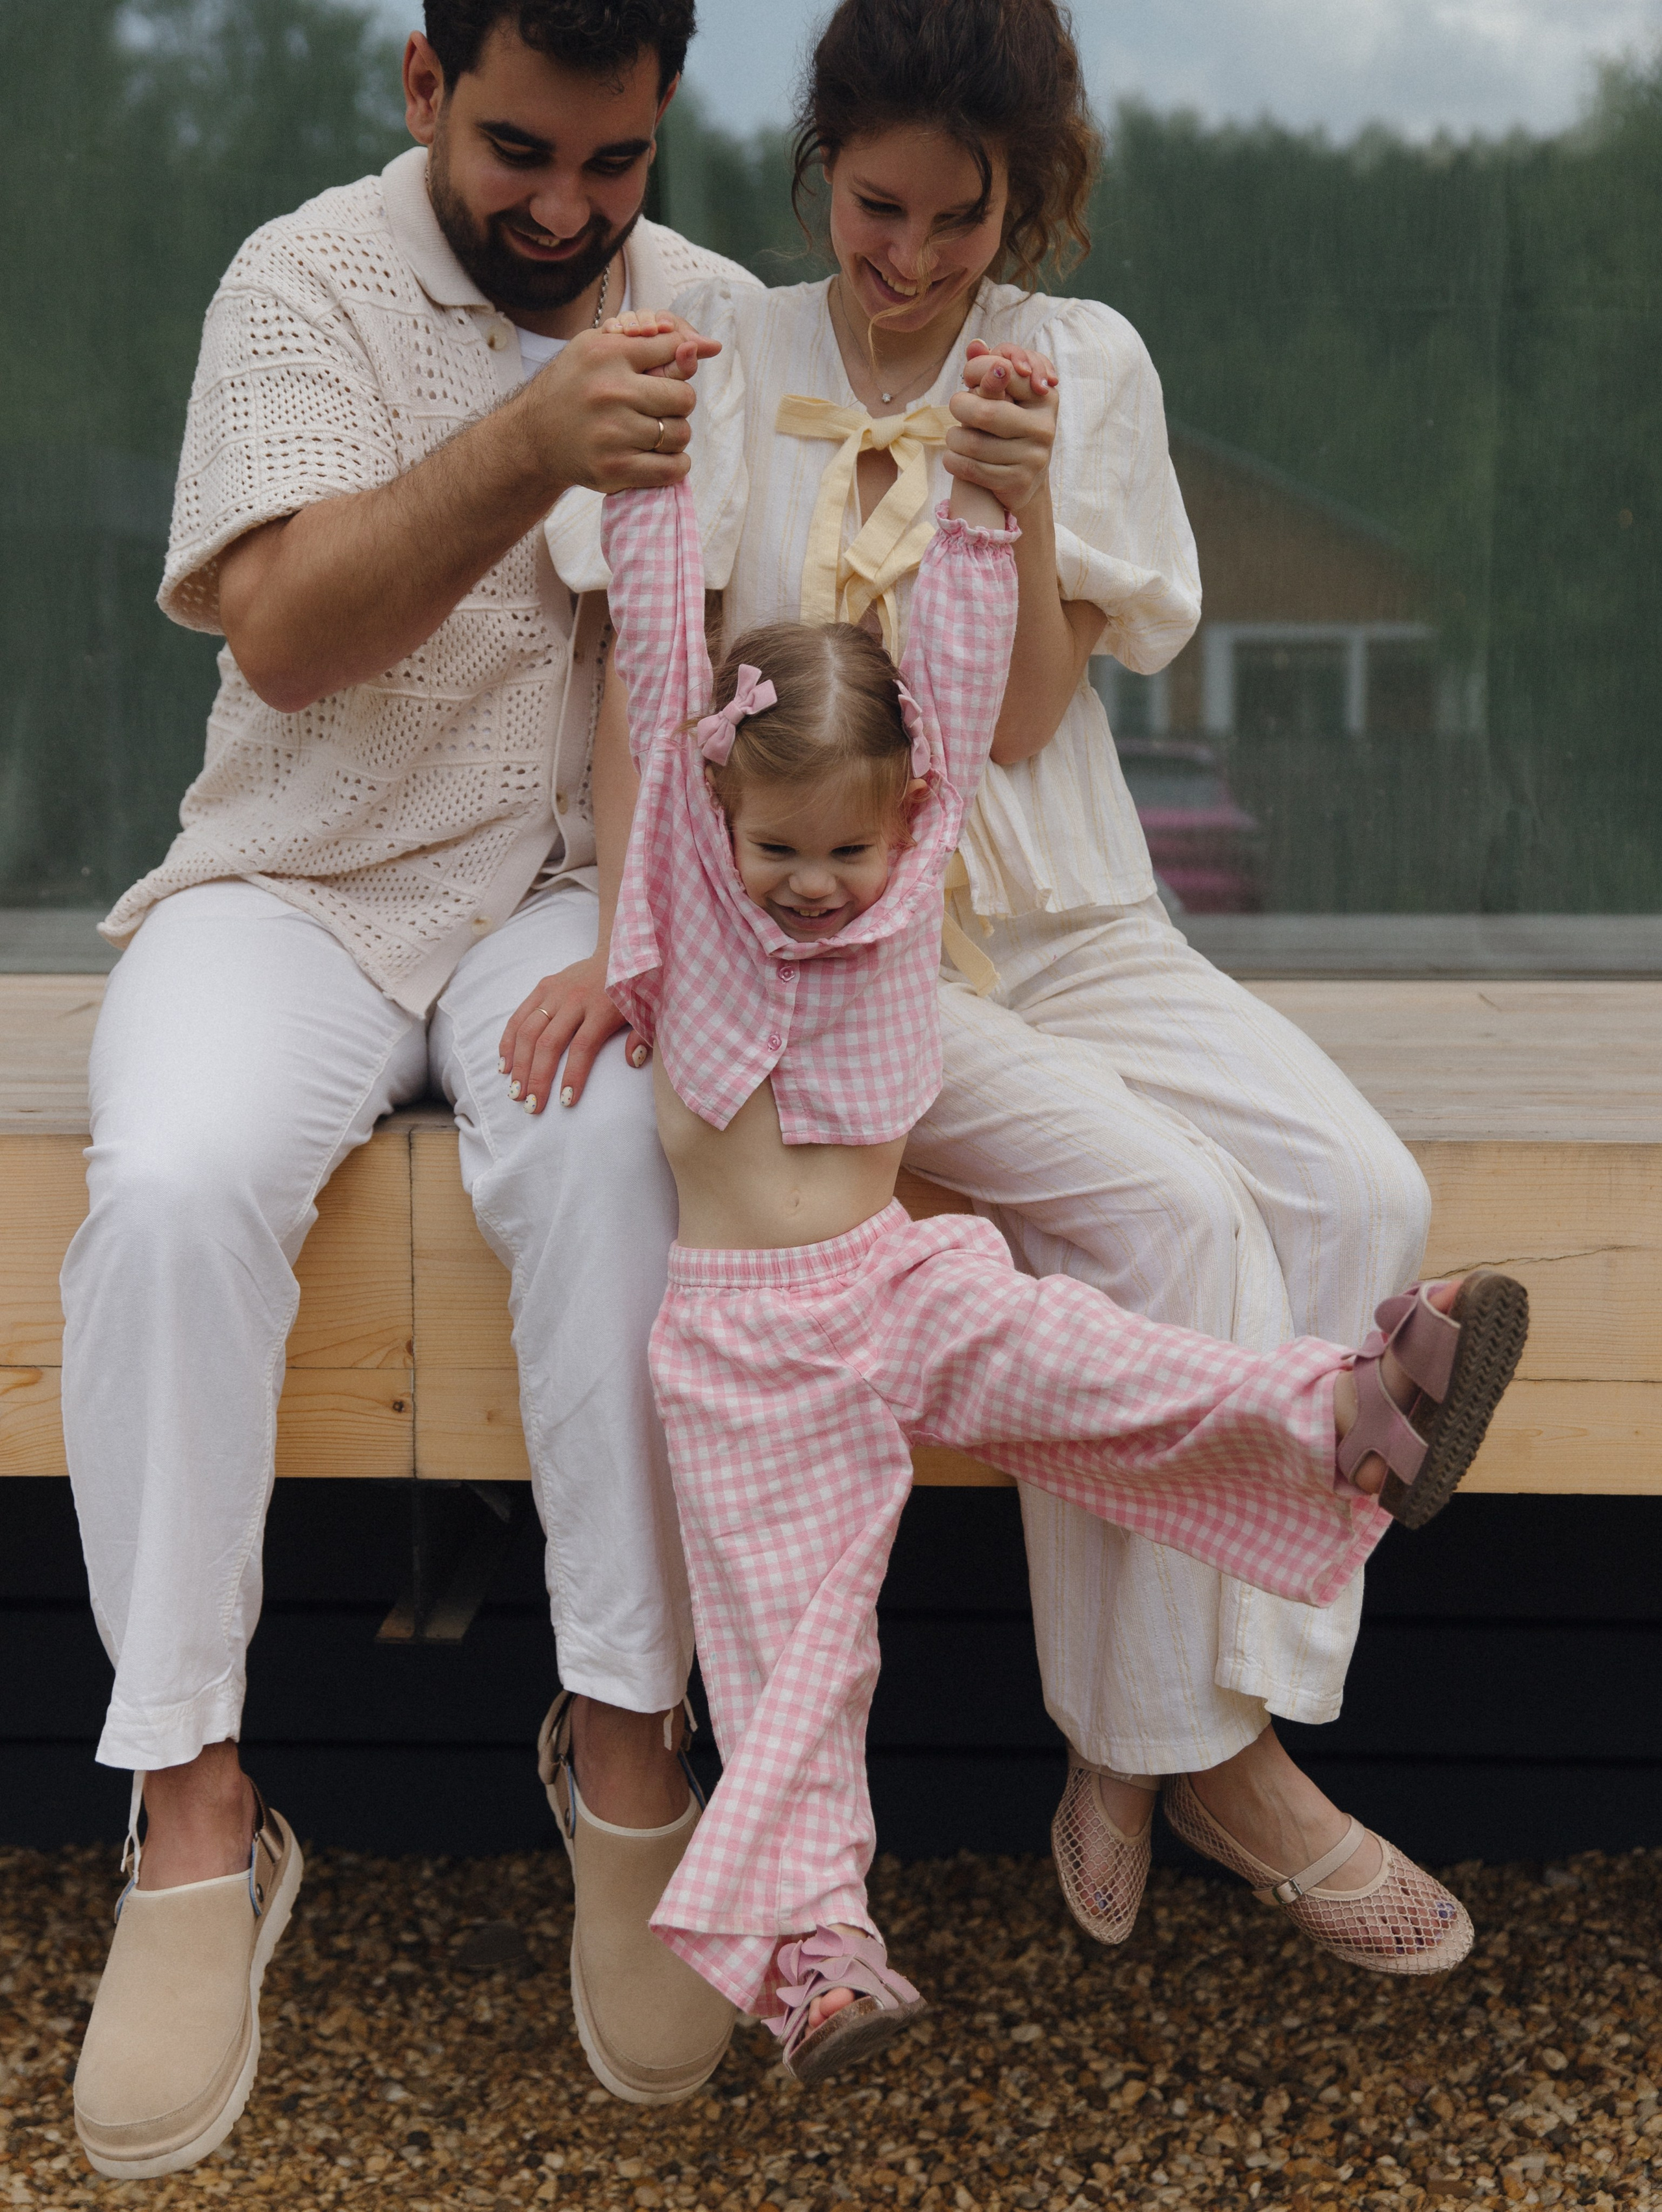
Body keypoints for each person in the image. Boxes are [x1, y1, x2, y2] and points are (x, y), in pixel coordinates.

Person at [611, 0, 1467, 1976]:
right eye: (875, 206)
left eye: (960, 219)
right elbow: (652, 683)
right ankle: (1197, 1755)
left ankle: (1178, 1728)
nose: (909, 258)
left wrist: (1025, 506)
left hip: (1076, 905)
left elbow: (1019, 727)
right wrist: (622, 945)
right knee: (1167, 1215)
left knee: (1366, 1190)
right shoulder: (732, 346)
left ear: (1029, 203)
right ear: (821, 167)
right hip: (856, 951)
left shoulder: (1081, 362)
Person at [66, 0, 759, 2179]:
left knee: (626, 1158)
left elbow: (720, 675)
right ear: (424, 88)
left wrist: (654, 934)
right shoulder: (304, 277)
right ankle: (195, 1814)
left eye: (613, 163)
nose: (566, 208)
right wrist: (534, 439)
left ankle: (627, 1751)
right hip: (297, 872)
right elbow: (281, 636)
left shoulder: (714, 313)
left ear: (664, 123)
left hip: (569, 892)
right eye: (521, 150)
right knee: (173, 1180)